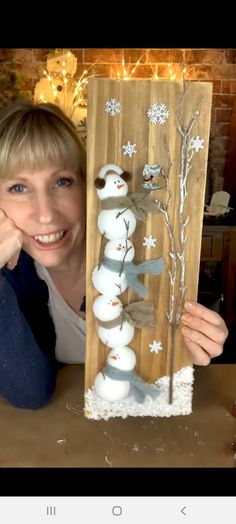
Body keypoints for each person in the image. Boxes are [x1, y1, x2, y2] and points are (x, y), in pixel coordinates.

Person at [0, 100, 228, 410]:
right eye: (18, 188)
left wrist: (207, 341)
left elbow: (194, 365)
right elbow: (30, 393)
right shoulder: (11, 277)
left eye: (61, 182)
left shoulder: (138, 248)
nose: (45, 215)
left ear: (85, 187)